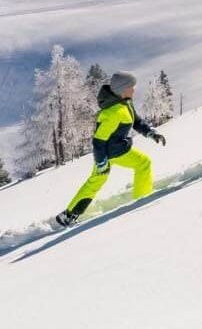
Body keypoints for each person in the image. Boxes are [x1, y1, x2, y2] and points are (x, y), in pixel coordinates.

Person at [54, 72, 166, 227]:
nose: (133, 90)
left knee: (95, 182)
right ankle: (142, 200)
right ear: (122, 89)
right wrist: (101, 162)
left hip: (114, 150)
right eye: (130, 87)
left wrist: (151, 133)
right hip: (113, 152)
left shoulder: (125, 103)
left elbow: (137, 121)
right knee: (143, 164)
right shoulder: (112, 112)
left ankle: (68, 215)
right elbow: (98, 141)